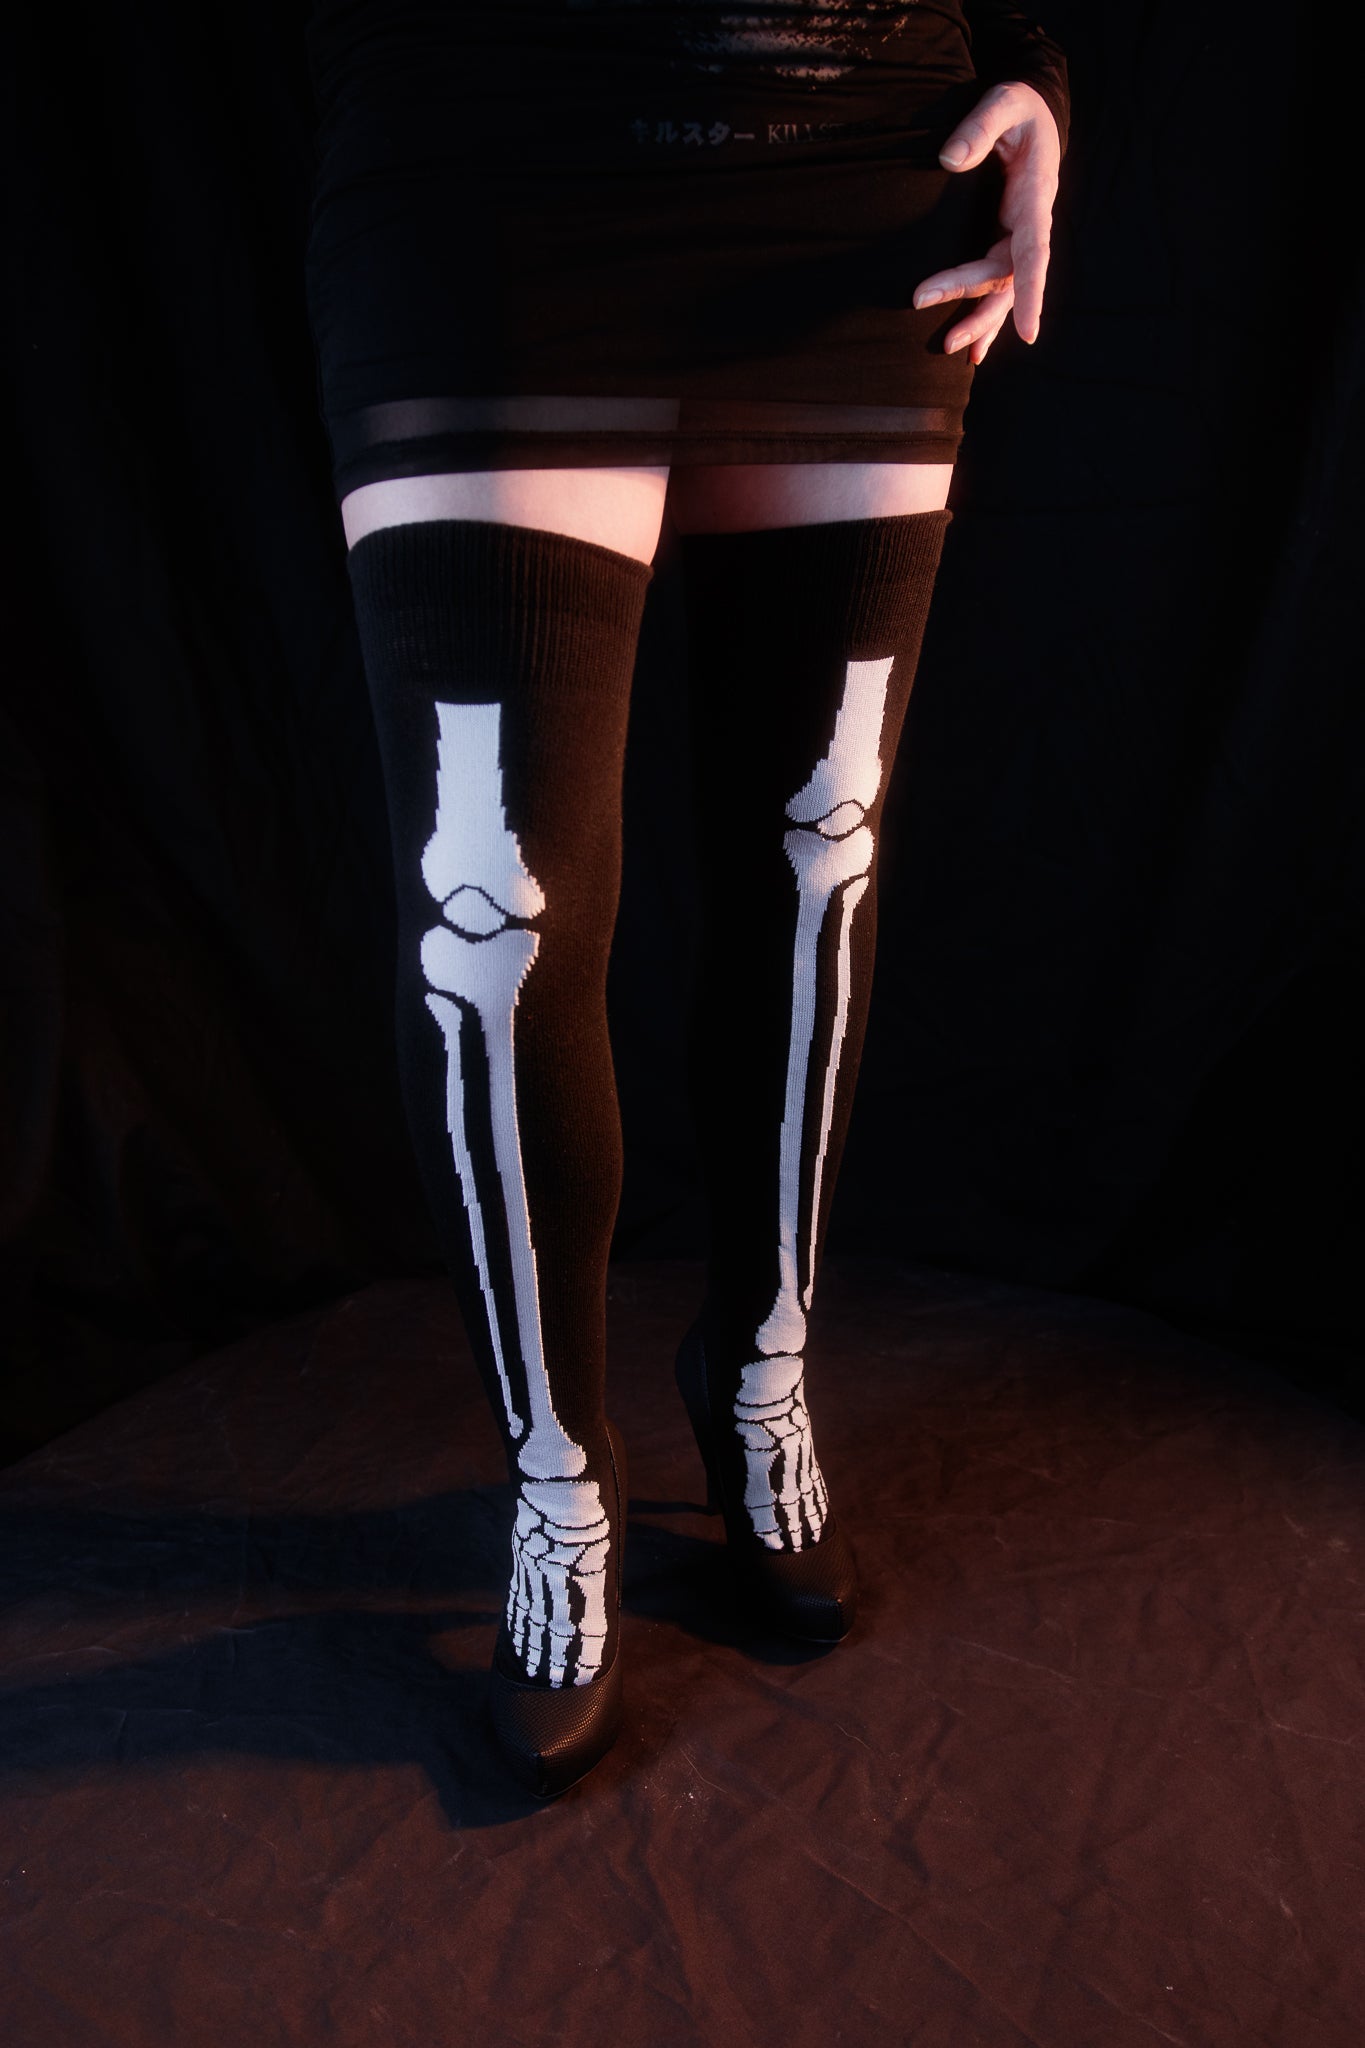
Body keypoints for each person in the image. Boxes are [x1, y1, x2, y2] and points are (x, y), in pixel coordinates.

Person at [302, 0, 1069, 1798]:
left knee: (819, 848)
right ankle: (555, 1476)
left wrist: (1036, 62)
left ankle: (757, 1370)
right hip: (492, 163)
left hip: (857, 167)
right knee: (489, 917)